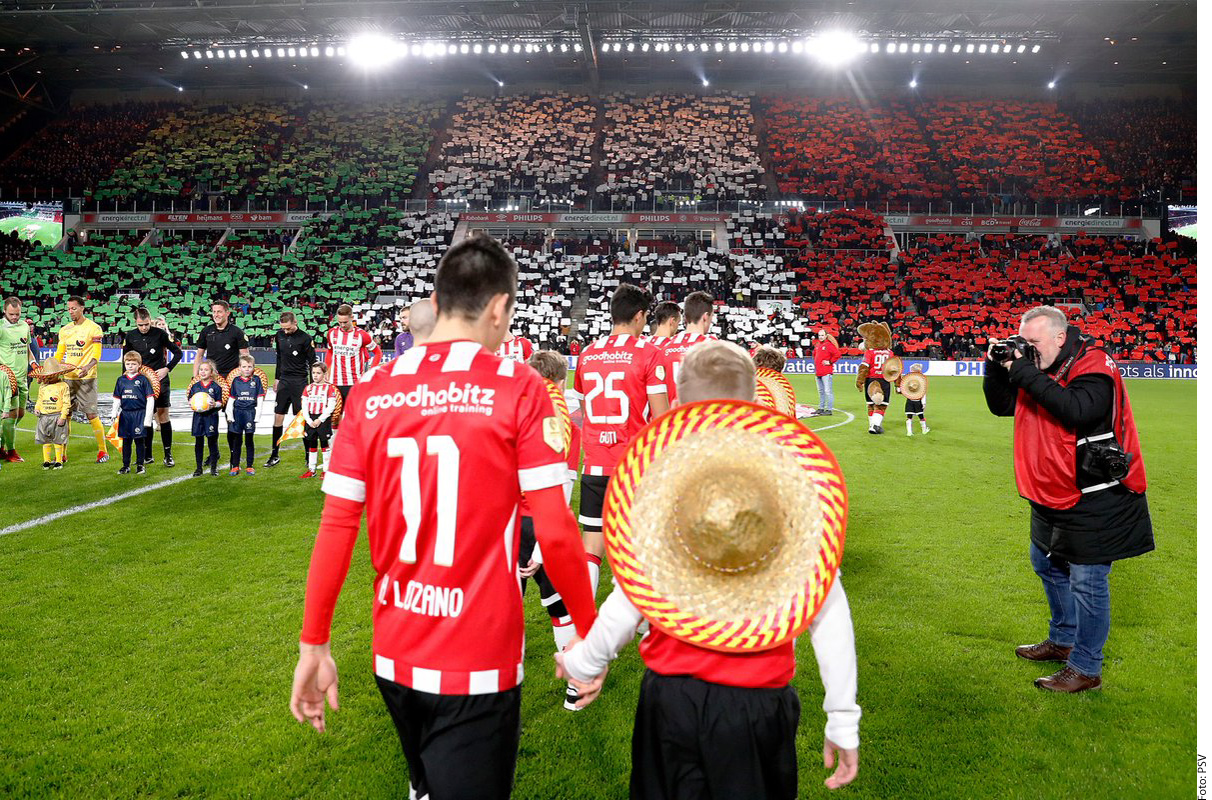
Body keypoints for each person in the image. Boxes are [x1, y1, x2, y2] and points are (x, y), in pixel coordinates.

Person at [290, 235, 598, 799]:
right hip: (478, 658)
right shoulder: (520, 385)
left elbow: (337, 527)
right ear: (500, 308)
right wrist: (586, 638)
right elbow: (554, 529)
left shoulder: (372, 389)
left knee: (426, 781)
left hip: (395, 650)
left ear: (439, 297)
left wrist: (315, 645)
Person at [558, 339, 861, 798]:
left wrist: (585, 660)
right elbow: (828, 608)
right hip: (758, 700)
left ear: (677, 404)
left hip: (671, 699)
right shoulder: (788, 486)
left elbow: (630, 596)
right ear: (754, 400)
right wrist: (841, 716)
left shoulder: (664, 485)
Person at [984, 305, 1154, 693]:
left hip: (1096, 493)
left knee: (1088, 581)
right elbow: (1001, 406)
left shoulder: (1094, 363)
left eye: (1033, 343)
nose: (1026, 350)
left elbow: (1077, 410)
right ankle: (1063, 639)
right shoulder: (1041, 366)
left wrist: (1021, 369)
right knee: (1045, 563)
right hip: (1051, 488)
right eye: (1021, 342)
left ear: (1060, 338)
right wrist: (996, 368)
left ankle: (1086, 668)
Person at [573, 283, 670, 598]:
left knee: (593, 540)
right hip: (633, 464)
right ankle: (640, 620)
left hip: (596, 462)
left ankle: (586, 619)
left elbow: (584, 406)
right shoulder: (649, 352)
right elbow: (661, 417)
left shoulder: (588, 353)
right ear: (640, 316)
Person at [121, 307, 183, 467]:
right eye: (141, 325)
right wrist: (125, 381)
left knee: (163, 416)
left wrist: (167, 368)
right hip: (140, 383)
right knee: (145, 417)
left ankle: (168, 455)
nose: (144, 328)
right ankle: (147, 455)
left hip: (160, 381)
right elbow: (125, 360)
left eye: (147, 324)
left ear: (150, 320)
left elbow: (178, 353)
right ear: (136, 322)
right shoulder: (130, 336)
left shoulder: (160, 334)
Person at [54, 295, 110, 462]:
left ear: (82, 308)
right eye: (69, 308)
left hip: (87, 379)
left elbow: (97, 353)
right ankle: (62, 454)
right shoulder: (64, 330)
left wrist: (88, 367)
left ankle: (102, 451)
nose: (71, 311)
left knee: (91, 414)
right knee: (66, 415)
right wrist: (52, 371)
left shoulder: (94, 328)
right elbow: (59, 354)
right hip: (67, 379)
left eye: (74, 308)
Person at [193, 300, 250, 461]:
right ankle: (214, 453)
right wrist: (196, 376)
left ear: (227, 313)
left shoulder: (237, 332)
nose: (216, 315)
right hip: (212, 381)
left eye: (219, 312)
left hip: (231, 381)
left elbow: (244, 357)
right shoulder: (206, 331)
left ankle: (234, 454)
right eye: (214, 312)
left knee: (231, 417)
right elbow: (199, 356)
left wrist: (243, 378)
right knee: (209, 416)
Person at [267, 311, 315, 468]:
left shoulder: (305, 338)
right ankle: (274, 455)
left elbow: (313, 362)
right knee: (277, 418)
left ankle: (309, 457)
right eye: (283, 328)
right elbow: (279, 358)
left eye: (288, 328)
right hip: (284, 382)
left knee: (301, 420)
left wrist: (312, 385)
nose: (285, 331)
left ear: (295, 323)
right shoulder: (279, 336)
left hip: (300, 382)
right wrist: (277, 379)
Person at [658, 291, 716, 404]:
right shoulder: (713, 346)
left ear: (685, 317)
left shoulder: (665, 347)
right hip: (697, 418)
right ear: (705, 317)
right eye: (711, 317)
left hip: (670, 417)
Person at [324, 303, 382, 411]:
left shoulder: (362, 335)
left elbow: (378, 352)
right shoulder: (332, 333)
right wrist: (327, 370)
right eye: (339, 322)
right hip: (335, 382)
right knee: (336, 416)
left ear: (352, 317)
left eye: (345, 322)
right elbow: (330, 352)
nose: (342, 325)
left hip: (355, 382)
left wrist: (370, 371)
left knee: (355, 415)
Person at [0, 296, 37, 462]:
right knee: (12, 414)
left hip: (22, 378)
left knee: (21, 413)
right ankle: (11, 451)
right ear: (4, 311)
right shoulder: (1, 328)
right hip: (8, 379)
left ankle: (1, 443)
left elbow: (26, 347)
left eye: (17, 314)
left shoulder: (23, 326)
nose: (15, 317)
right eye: (11, 314)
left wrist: (34, 362)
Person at [110, 352, 156, 475]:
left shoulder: (143, 380)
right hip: (125, 415)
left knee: (139, 440)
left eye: (133, 364)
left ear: (139, 365)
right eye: (128, 363)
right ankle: (126, 465)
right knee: (126, 441)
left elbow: (150, 399)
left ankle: (140, 465)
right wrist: (114, 413)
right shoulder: (121, 380)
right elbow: (117, 398)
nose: (130, 366)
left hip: (139, 414)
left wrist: (148, 419)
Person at [298, 362, 340, 479]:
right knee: (311, 443)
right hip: (310, 419)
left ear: (324, 374)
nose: (315, 375)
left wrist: (320, 420)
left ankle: (326, 470)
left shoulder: (329, 388)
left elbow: (331, 406)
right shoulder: (308, 388)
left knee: (324, 444)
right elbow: (304, 405)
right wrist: (308, 420)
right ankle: (312, 469)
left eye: (318, 373)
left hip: (323, 419)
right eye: (313, 373)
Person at [226, 354, 266, 476]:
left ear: (253, 367)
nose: (247, 369)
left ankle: (249, 466)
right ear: (239, 368)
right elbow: (231, 399)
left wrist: (257, 416)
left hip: (250, 413)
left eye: (249, 366)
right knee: (237, 441)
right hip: (237, 413)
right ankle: (235, 466)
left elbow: (260, 399)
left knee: (249, 440)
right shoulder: (235, 381)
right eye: (244, 366)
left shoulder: (257, 380)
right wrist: (229, 414)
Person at [188, 360, 225, 477]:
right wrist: (193, 404)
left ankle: (214, 468)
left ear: (212, 372)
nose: (203, 372)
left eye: (206, 369)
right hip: (198, 418)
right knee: (198, 442)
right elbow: (190, 401)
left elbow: (220, 402)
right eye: (201, 369)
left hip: (211, 417)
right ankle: (198, 468)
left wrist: (214, 404)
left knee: (212, 442)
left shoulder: (216, 387)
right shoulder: (195, 386)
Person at [33, 356, 70, 469]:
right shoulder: (43, 386)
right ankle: (46, 461)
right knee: (45, 440)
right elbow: (40, 399)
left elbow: (66, 403)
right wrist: (37, 408)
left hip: (57, 416)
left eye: (52, 374)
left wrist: (63, 416)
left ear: (57, 373)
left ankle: (59, 461)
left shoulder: (63, 386)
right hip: (44, 417)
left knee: (58, 440)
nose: (49, 376)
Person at [812, 329, 842, 417]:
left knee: (828, 391)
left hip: (826, 372)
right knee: (821, 391)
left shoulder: (829, 345)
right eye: (819, 335)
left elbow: (837, 354)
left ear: (826, 336)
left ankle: (829, 409)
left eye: (822, 335)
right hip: (818, 372)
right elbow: (815, 356)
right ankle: (821, 408)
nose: (820, 337)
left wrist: (830, 362)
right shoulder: (818, 345)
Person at [897, 365, 930, 436]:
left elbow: (901, 389)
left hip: (909, 400)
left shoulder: (908, 380)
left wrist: (898, 389)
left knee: (909, 417)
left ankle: (909, 432)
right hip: (918, 401)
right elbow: (923, 393)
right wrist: (924, 403)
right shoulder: (920, 381)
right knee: (921, 416)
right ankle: (924, 430)